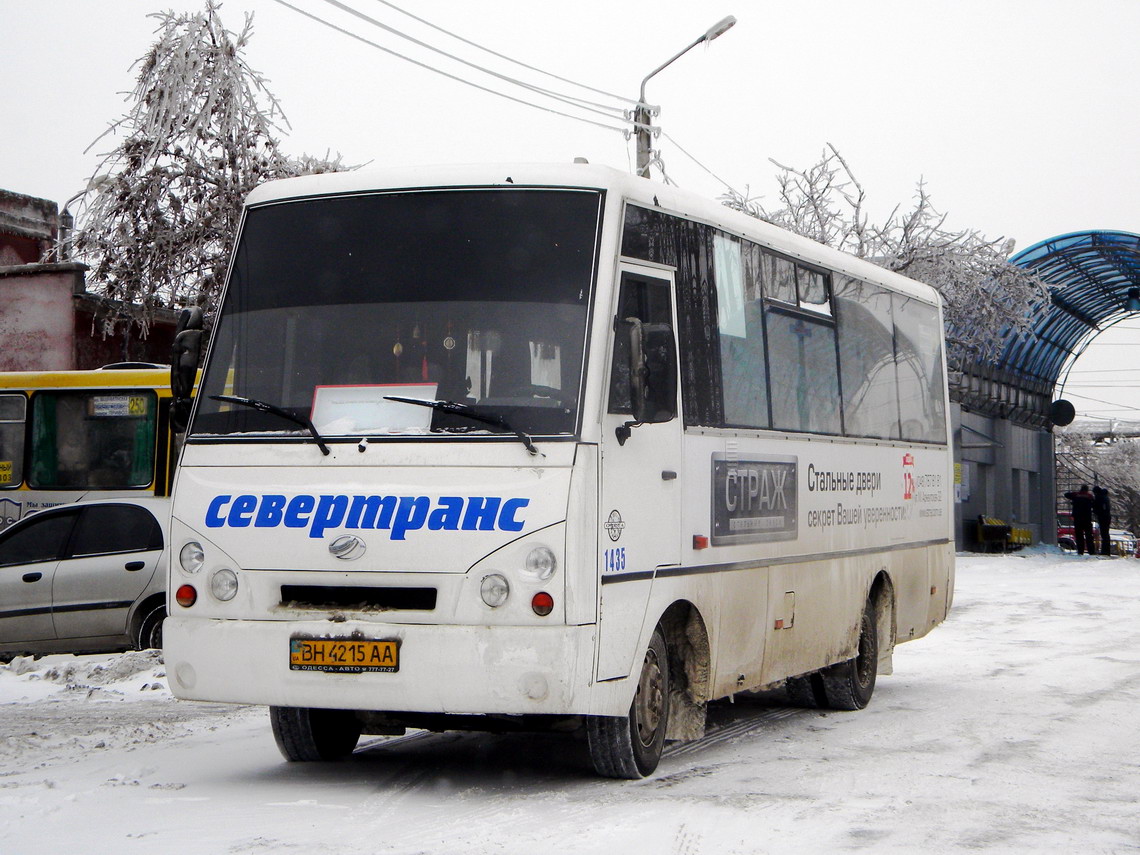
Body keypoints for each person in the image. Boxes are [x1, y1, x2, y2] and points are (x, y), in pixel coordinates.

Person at [1064, 484, 1096, 556]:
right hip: (1087, 518)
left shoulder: (1076, 495)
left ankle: (1080, 551)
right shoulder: (1089, 496)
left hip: (1077, 518)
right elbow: (1094, 503)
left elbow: (1066, 494)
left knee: (1079, 536)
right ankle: (1091, 551)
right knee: (1089, 536)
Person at [1093, 486, 1113, 556]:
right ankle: (1106, 550)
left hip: (1102, 517)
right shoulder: (1105, 498)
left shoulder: (1099, 498)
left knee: (1104, 534)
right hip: (1107, 517)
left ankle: (1105, 551)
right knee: (1106, 534)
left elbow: (1098, 508)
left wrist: (1095, 510)